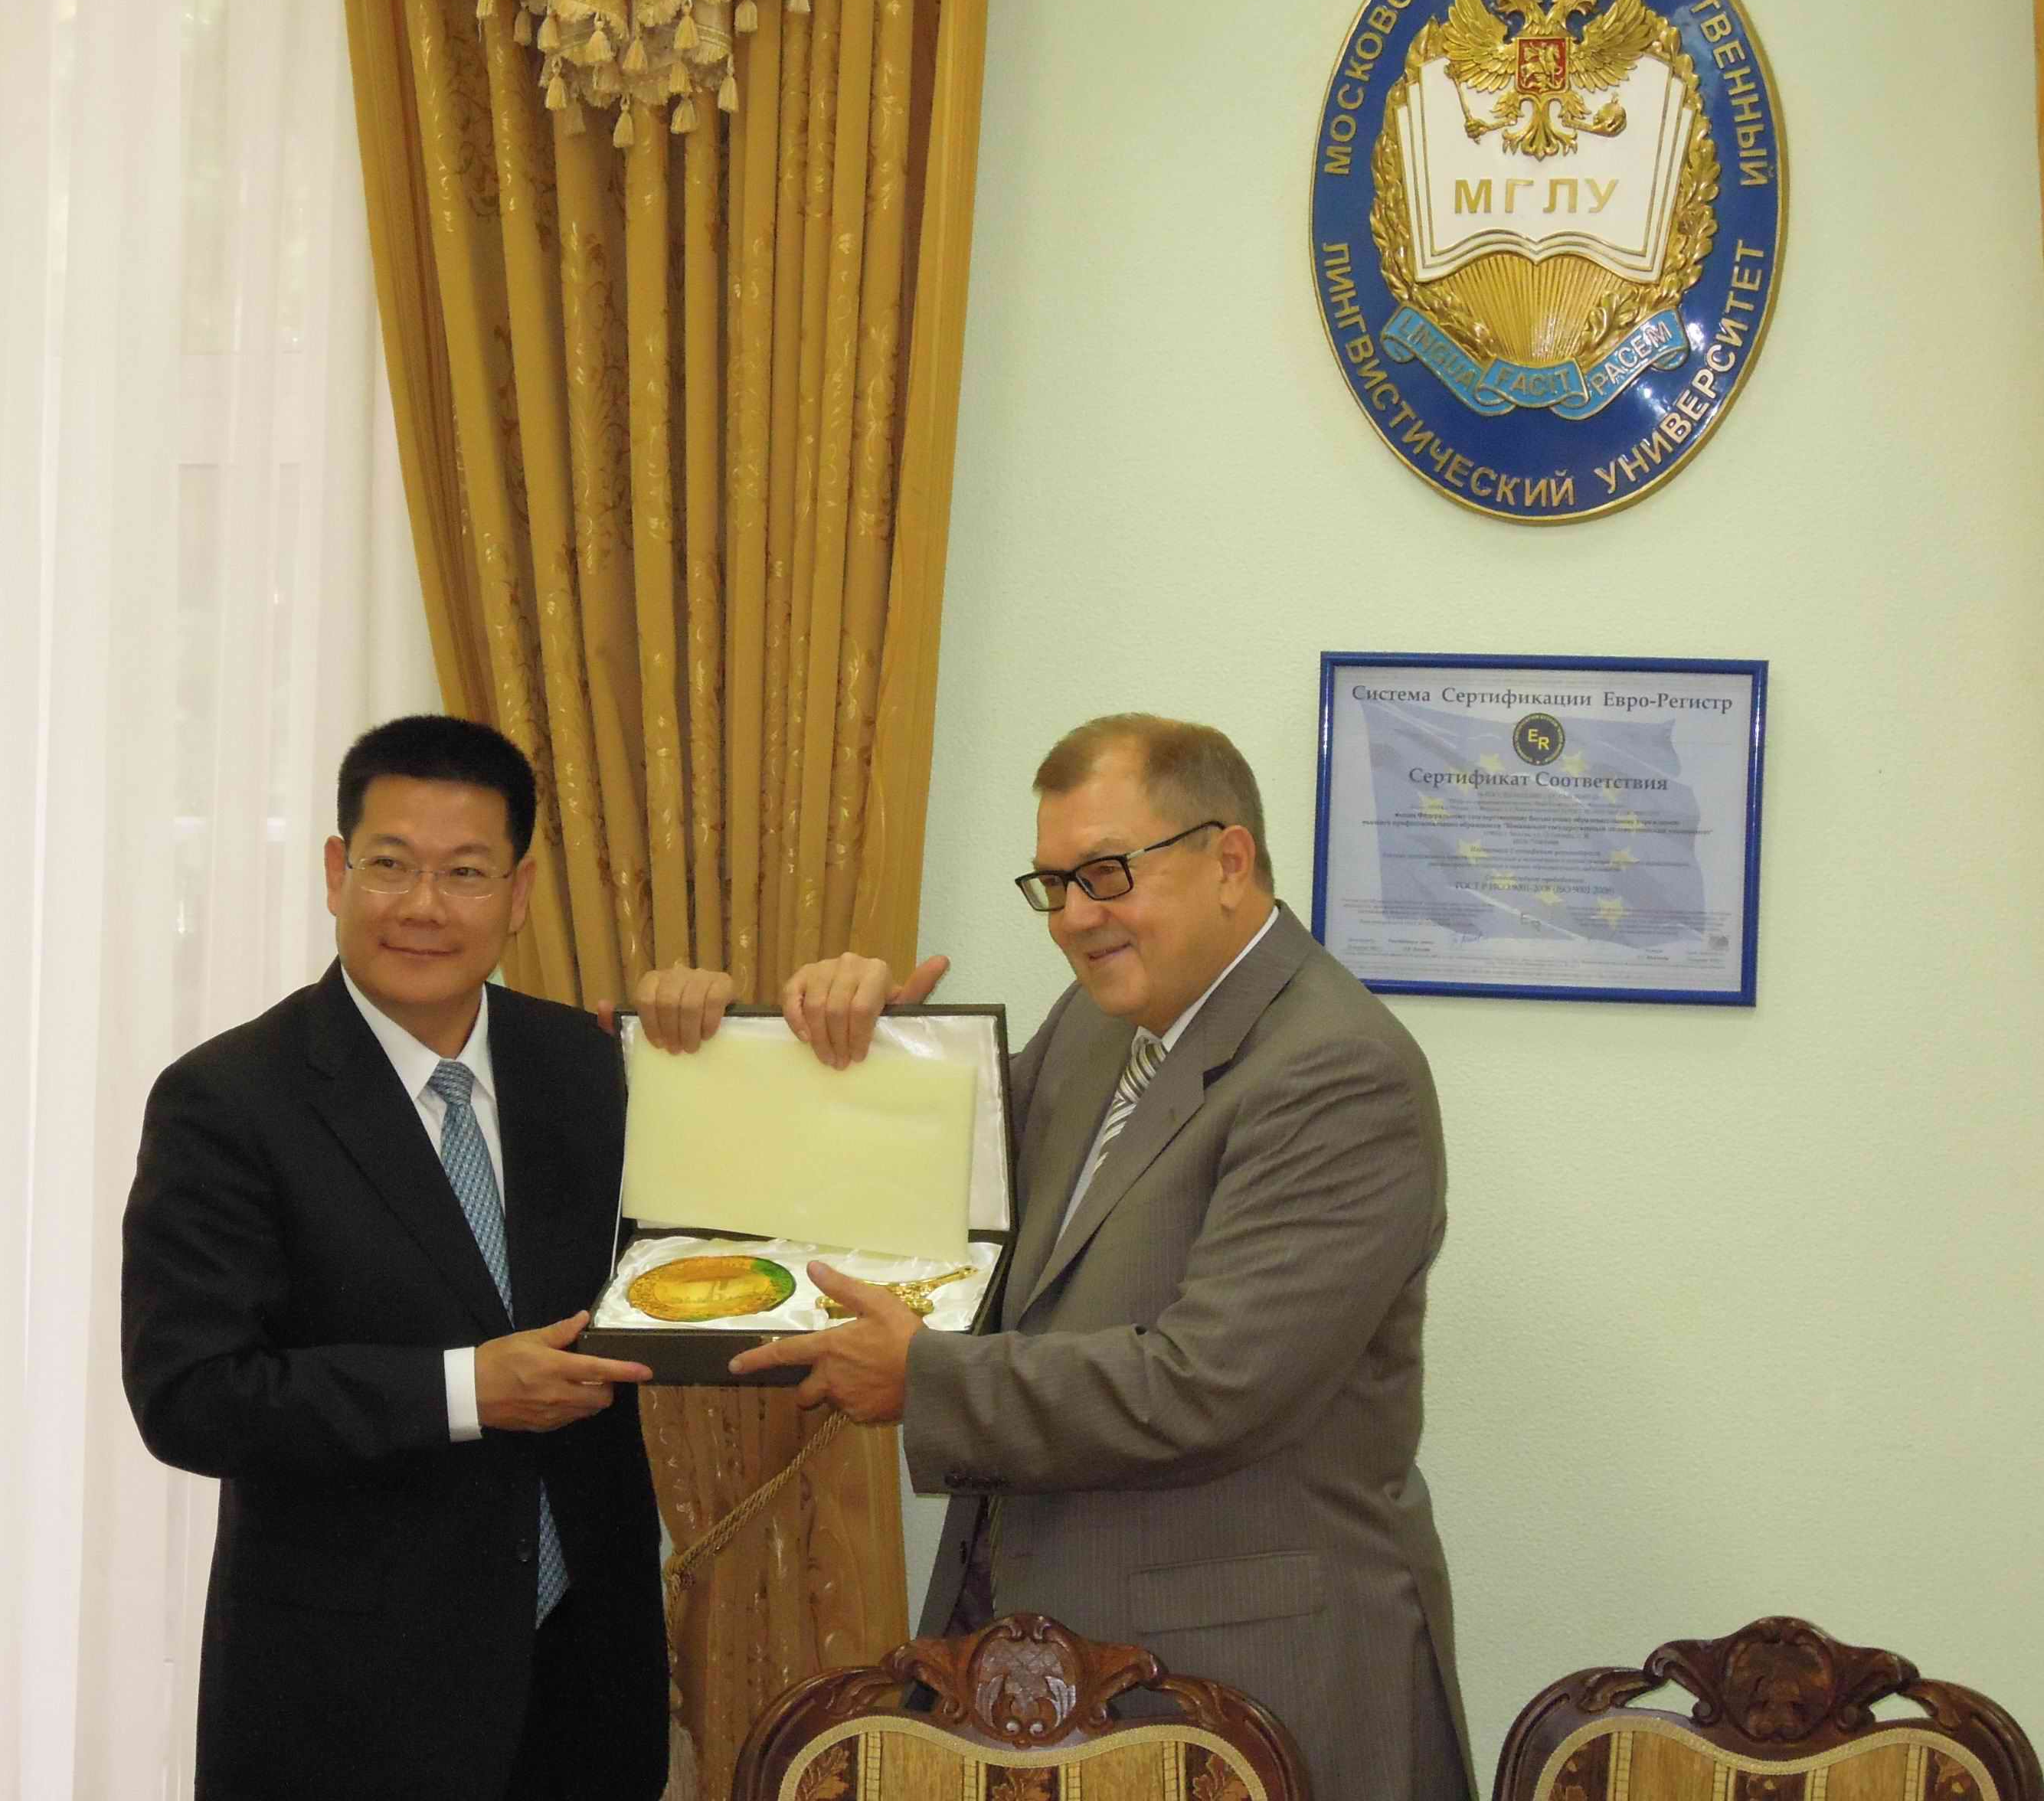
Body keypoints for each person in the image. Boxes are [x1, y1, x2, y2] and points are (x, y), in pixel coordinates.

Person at [636, 713, 1475, 1801]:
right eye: (1055, 885)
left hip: (1249, 1676)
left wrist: (924, 1381)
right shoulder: (1097, 1023)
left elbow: (1210, 1386)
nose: (1076, 918)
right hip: (1047, 1660)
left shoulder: (1337, 1070)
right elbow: (955, 1217)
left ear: (1229, 861)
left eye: (1108, 874)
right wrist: (852, 1055)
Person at [122, 715, 668, 1800]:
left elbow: (724, 1260)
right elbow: (190, 1397)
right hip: (345, 1707)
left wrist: (830, 1041)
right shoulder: (228, 1100)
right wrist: (466, 1390)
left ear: (517, 893)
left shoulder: (592, 1068)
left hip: (587, 1690)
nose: (423, 906)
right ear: (337, 873)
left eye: (465, 873)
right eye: (390, 865)